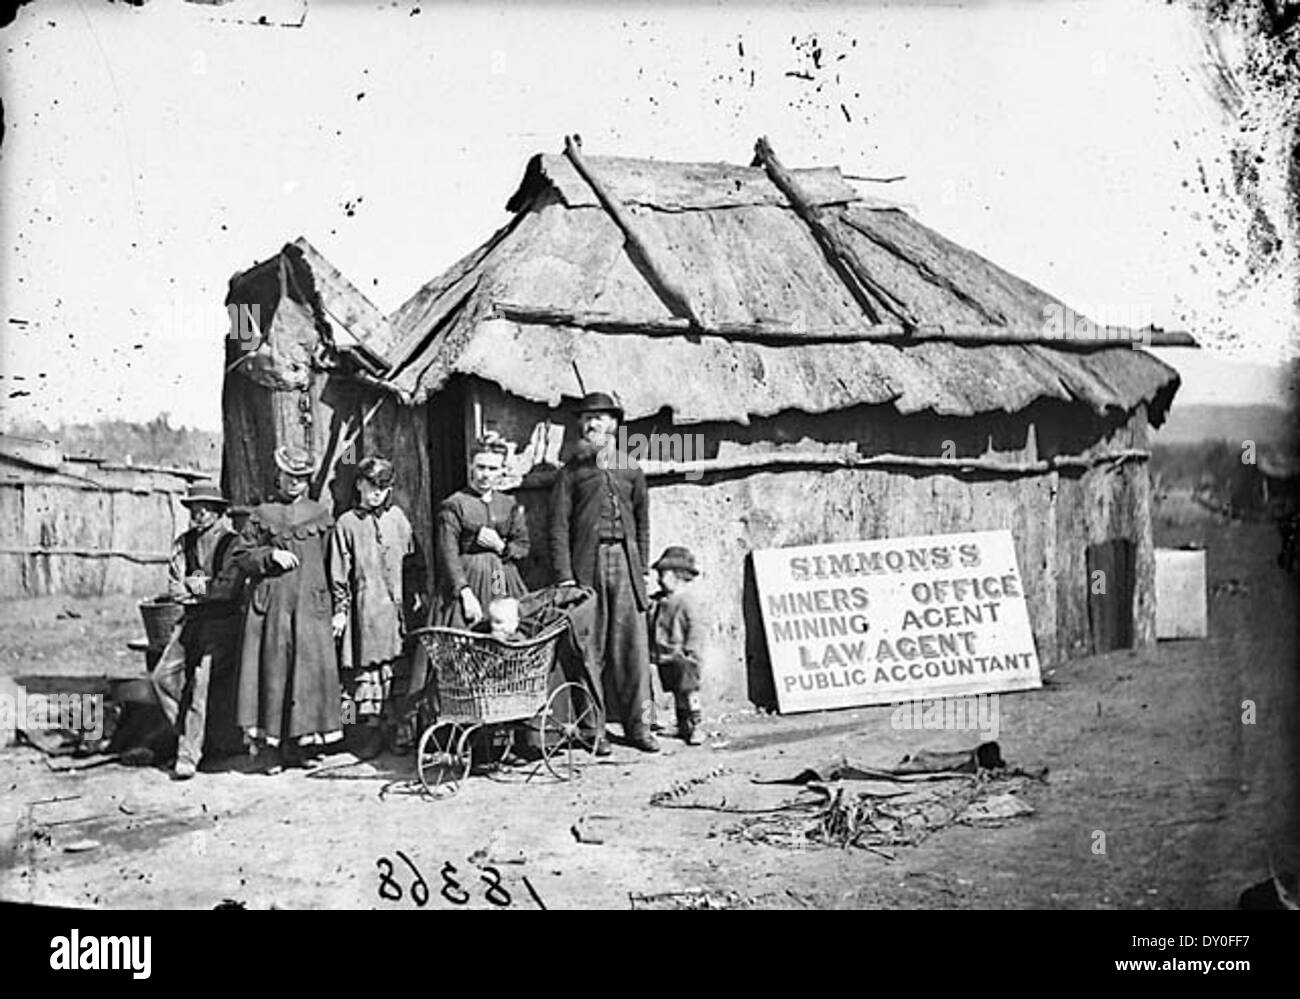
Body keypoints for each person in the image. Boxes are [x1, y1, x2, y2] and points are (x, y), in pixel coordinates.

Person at [220, 445, 343, 773]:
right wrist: (268, 557)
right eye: (290, 475)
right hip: (272, 609)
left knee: (305, 677)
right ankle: (271, 751)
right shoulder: (263, 515)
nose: (294, 483)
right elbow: (239, 556)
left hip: (310, 609)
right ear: (279, 474)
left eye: (301, 477)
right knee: (274, 674)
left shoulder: (320, 515)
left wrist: (339, 607)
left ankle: (300, 745)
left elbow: (336, 564)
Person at [549, 391, 659, 754]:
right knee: (587, 649)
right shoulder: (572, 472)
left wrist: (641, 568)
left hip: (625, 566)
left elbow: (643, 520)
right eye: (585, 419)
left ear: (613, 425)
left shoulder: (630, 467)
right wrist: (566, 576)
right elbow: (558, 527)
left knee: (633, 650)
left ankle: (640, 727)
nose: (591, 423)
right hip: (587, 567)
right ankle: (592, 730)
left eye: (599, 418)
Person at [329, 456, 426, 760]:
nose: (376, 493)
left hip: (395, 609)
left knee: (397, 673)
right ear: (359, 484)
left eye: (383, 488)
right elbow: (338, 573)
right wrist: (341, 610)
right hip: (364, 611)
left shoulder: (397, 518)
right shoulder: (346, 524)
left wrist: (417, 594)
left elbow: (414, 561)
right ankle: (359, 736)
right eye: (371, 486)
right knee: (360, 676)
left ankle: (399, 732)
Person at [149, 481, 244, 779]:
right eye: (194, 508)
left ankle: (188, 755)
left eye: (205, 508)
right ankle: (195, 736)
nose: (199, 513)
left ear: (218, 511)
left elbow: (228, 589)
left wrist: (200, 589)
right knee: (162, 677)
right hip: (192, 622)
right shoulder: (183, 543)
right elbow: (176, 586)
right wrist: (199, 590)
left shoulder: (232, 544)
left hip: (223, 625)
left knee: (200, 684)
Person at [429, 432, 529, 629]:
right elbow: (448, 553)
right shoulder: (455, 504)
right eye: (480, 467)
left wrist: (500, 546)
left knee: (506, 629)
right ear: (471, 467)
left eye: (492, 468)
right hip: (469, 577)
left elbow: (523, 546)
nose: (485, 474)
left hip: (501, 578)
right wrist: (464, 592)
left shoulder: (508, 504)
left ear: (502, 471)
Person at [649, 546, 708, 746]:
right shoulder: (661, 601)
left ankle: (696, 726)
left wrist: (689, 651)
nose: (659, 579)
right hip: (667, 656)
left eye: (663, 574)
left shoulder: (686, 602)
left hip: (684, 657)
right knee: (677, 692)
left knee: (689, 692)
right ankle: (683, 726)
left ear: (678, 576)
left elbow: (695, 627)